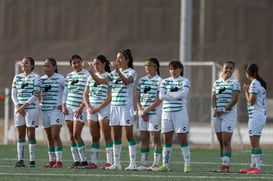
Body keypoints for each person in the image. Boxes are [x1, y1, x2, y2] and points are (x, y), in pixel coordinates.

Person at [84, 49, 137, 170]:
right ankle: (116, 163)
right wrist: (90, 71)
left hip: (126, 107)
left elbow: (126, 82)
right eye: (117, 58)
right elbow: (100, 81)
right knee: (116, 135)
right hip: (114, 107)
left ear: (127, 60)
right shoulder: (112, 73)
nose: (118, 60)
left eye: (121, 58)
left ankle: (133, 163)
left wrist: (118, 70)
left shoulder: (131, 72)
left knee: (129, 135)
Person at [157, 60, 191, 172]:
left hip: (180, 113)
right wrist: (175, 95)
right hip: (166, 113)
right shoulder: (164, 81)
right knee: (166, 139)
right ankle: (165, 165)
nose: (173, 71)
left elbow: (183, 94)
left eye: (175, 68)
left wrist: (169, 94)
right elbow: (161, 96)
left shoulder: (185, 81)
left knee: (182, 138)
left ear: (180, 69)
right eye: (171, 69)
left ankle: (187, 164)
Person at [83, 55, 113, 169]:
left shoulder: (108, 76)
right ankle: (93, 162)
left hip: (103, 108)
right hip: (91, 109)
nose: (95, 66)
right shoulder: (90, 78)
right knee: (94, 137)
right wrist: (89, 107)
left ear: (104, 64)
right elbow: (85, 95)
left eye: (98, 64)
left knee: (106, 136)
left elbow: (110, 97)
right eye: (94, 64)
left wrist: (98, 107)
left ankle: (109, 162)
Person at [11, 57, 41, 168]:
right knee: (20, 134)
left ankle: (32, 161)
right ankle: (20, 160)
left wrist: (23, 107)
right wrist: (18, 106)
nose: (24, 64)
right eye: (22, 63)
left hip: (31, 108)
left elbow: (36, 94)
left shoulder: (36, 77)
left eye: (26, 63)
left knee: (31, 134)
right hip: (19, 109)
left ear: (32, 65)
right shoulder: (17, 77)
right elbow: (13, 94)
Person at [211, 61, 240, 173]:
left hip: (228, 114)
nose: (228, 70)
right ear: (222, 69)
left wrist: (223, 110)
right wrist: (215, 109)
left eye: (230, 68)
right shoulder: (216, 82)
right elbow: (213, 97)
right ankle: (222, 164)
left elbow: (235, 99)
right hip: (217, 114)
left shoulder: (235, 83)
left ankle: (225, 166)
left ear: (233, 70)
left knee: (226, 140)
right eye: (226, 67)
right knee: (220, 140)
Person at [62, 54, 90, 168]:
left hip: (80, 108)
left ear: (81, 62)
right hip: (68, 107)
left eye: (78, 62)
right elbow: (65, 92)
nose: (77, 64)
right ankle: (76, 160)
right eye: (74, 63)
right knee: (71, 135)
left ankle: (84, 160)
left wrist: (82, 107)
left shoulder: (87, 74)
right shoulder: (69, 76)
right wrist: (63, 106)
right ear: (70, 65)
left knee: (76, 134)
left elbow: (89, 93)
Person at [135, 58, 162, 171]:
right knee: (144, 138)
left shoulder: (160, 80)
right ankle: (143, 163)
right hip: (142, 114)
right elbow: (137, 97)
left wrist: (146, 110)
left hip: (155, 114)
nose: (147, 67)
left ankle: (156, 164)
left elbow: (159, 99)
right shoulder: (142, 80)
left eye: (150, 65)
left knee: (155, 138)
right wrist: (141, 111)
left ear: (155, 67)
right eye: (146, 65)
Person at [239, 63, 267, 174]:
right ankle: (252, 166)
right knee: (253, 143)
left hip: (256, 116)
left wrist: (246, 91)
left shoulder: (254, 84)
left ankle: (258, 168)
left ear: (247, 73)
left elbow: (251, 101)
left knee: (255, 143)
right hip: (256, 116)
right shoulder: (258, 83)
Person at [40, 58, 65, 168]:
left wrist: (64, 104)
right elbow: (36, 92)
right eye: (44, 66)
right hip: (44, 110)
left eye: (48, 66)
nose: (45, 68)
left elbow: (68, 91)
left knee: (55, 135)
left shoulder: (60, 78)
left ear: (54, 67)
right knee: (49, 136)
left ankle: (59, 161)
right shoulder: (41, 79)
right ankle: (51, 160)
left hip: (56, 110)